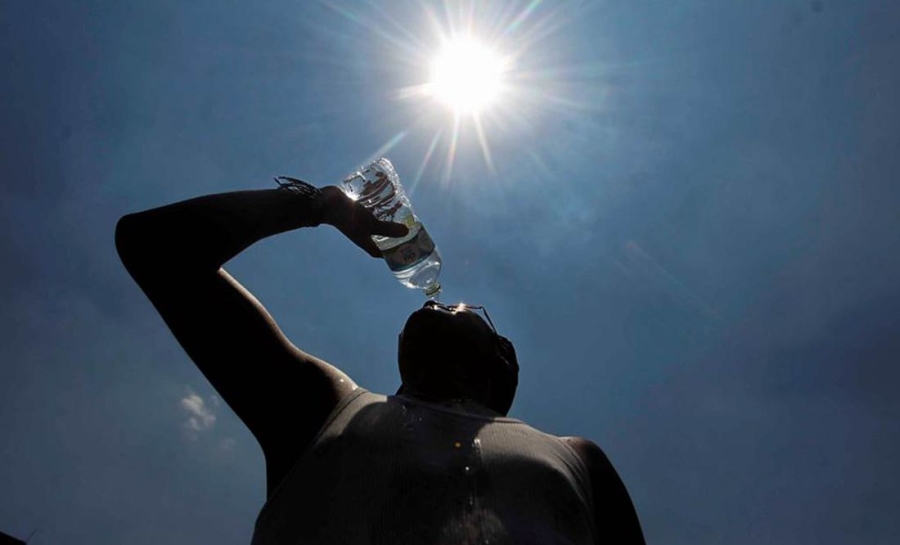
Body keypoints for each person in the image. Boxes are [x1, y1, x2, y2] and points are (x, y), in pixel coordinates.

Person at [116, 178, 646, 545]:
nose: (439, 302)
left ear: (504, 356)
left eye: (462, 309)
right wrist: (320, 207)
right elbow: (155, 246)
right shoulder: (326, 410)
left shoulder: (577, 458)